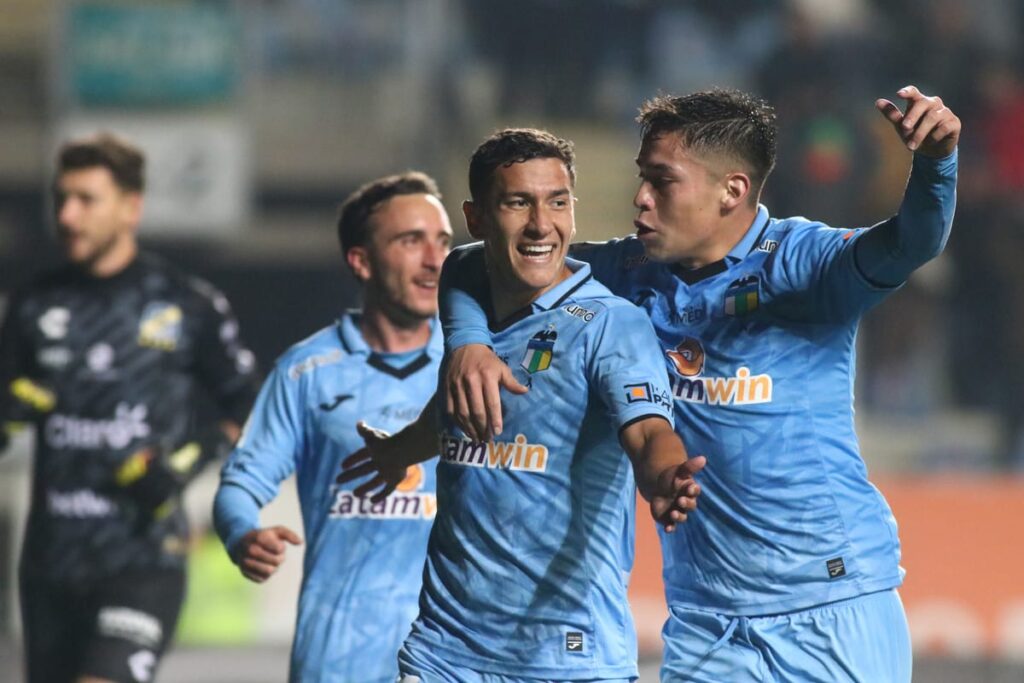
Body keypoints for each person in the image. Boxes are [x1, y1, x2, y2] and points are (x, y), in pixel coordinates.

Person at [438, 87, 960, 682]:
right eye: (642, 177)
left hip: (829, 605)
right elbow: (475, 260)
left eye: (662, 181)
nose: (640, 199)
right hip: (707, 622)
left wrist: (937, 165)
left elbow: (908, 244)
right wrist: (467, 341)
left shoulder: (803, 264)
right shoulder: (626, 272)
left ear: (731, 190)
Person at [341, 128, 705, 682]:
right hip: (445, 653)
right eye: (518, 202)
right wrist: (399, 451)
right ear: (477, 217)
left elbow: (649, 431)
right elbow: (455, 418)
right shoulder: (469, 296)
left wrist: (665, 477)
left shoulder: (610, 325)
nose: (542, 224)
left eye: (557, 202)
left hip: (569, 657)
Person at [0, 133, 258, 683]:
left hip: (142, 558)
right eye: (61, 199)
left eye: (86, 200)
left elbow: (250, 407)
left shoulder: (185, 304)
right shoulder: (32, 304)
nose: (67, 216)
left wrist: (184, 464)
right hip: (50, 563)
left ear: (130, 208)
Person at [212, 171, 453, 683]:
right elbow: (241, 481)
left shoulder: (474, 363)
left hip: (455, 654)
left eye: (443, 241)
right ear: (360, 262)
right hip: (339, 657)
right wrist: (242, 532)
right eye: (411, 241)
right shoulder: (306, 370)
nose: (435, 260)